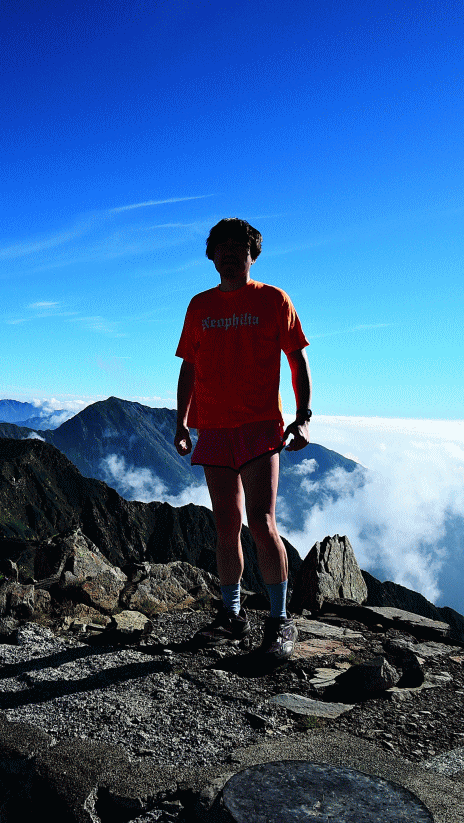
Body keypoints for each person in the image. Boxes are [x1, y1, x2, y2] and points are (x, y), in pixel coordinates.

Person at [174, 218, 312, 661]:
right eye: (223, 247)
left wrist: (303, 418)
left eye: (240, 247)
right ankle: (231, 616)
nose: (231, 253)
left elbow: (297, 360)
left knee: (262, 523)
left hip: (259, 428)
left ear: (253, 255)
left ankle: (279, 620)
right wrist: (182, 422)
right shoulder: (199, 306)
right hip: (213, 429)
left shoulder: (274, 300)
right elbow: (189, 367)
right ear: (211, 255)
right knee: (226, 526)